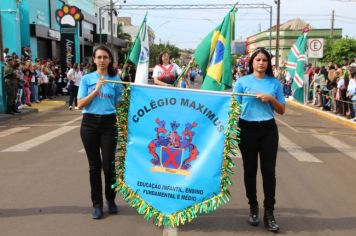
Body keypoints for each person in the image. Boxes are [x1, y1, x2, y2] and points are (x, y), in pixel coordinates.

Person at [233, 47, 285, 232]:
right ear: (252, 62)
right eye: (258, 59)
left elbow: (281, 110)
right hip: (247, 129)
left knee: (269, 172)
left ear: (268, 63)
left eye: (264, 60)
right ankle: (253, 207)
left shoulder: (275, 84)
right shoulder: (242, 82)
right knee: (250, 170)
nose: (261, 63)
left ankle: (269, 212)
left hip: (268, 129)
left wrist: (271, 98)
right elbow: (234, 109)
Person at [77, 45, 123, 220]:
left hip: (108, 124)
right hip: (89, 123)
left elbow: (121, 102)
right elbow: (80, 104)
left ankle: (111, 200)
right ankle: (97, 205)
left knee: (109, 166)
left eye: (105, 57)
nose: (102, 60)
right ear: (94, 60)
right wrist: (96, 90)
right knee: (94, 167)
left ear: (110, 60)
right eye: (99, 57)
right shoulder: (87, 79)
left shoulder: (115, 79)